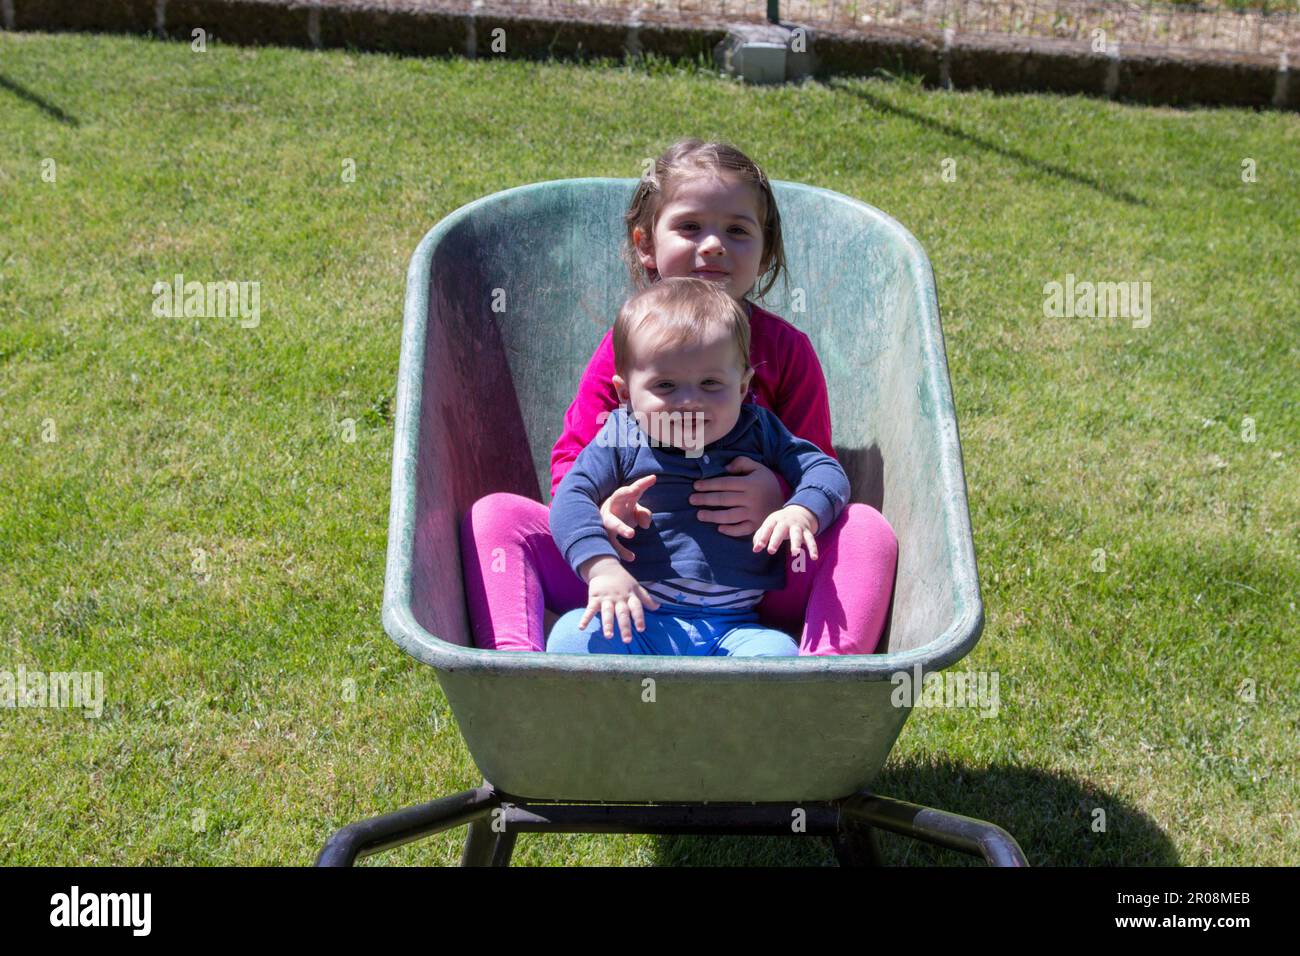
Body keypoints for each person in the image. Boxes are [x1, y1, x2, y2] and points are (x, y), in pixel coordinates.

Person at [459, 138, 898, 655]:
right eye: (690, 227)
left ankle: (823, 678)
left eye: (736, 230)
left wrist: (782, 497)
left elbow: (816, 463)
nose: (713, 244)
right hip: (628, 572)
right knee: (495, 516)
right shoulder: (627, 347)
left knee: (866, 529)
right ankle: (515, 669)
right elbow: (574, 462)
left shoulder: (786, 351)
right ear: (646, 243)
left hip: (755, 577)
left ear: (765, 250)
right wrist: (600, 522)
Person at [547, 278, 848, 656]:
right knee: (570, 640)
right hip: (636, 617)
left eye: (710, 383)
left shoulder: (759, 430)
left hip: (733, 629)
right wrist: (601, 568)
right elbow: (571, 496)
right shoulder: (619, 436)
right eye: (666, 386)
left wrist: (801, 509)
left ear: (742, 388)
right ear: (625, 393)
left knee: (777, 656)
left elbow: (825, 470)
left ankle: (829, 679)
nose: (689, 401)